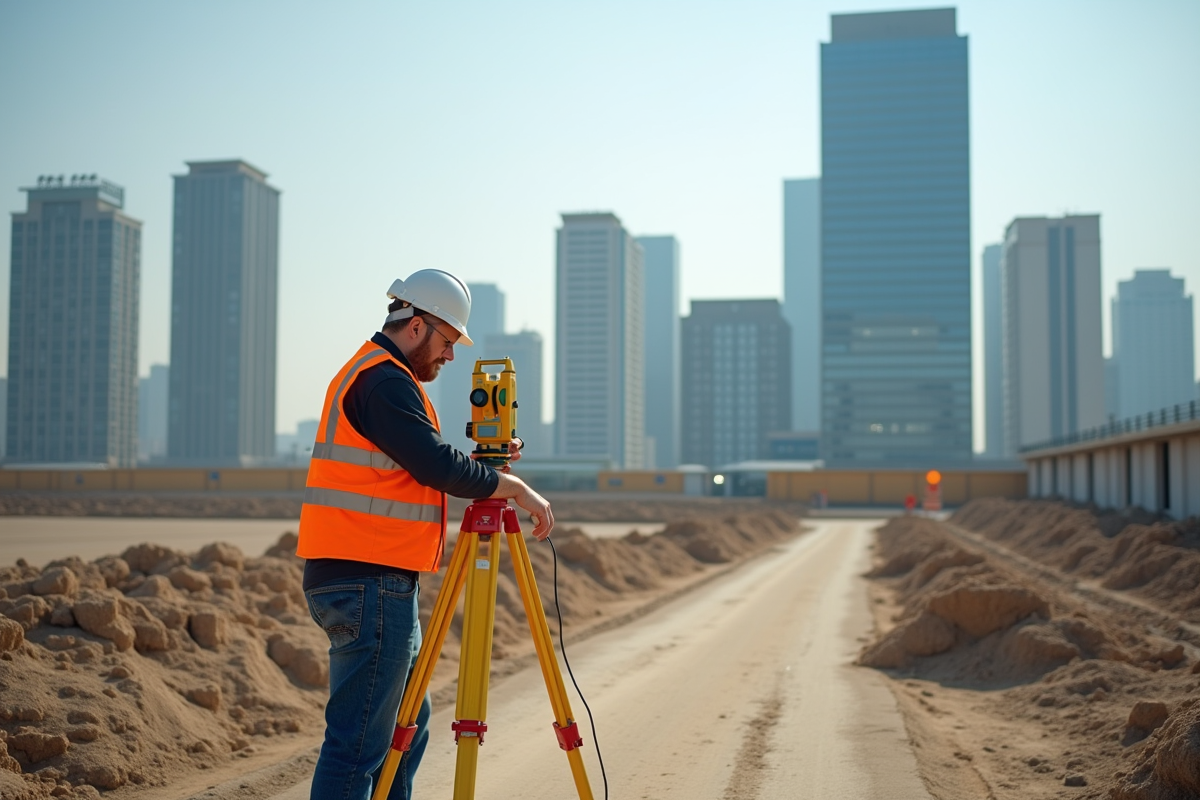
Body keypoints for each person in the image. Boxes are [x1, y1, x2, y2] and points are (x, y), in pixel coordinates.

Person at [297, 269, 554, 800]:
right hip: (367, 579)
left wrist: (488, 466)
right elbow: (435, 464)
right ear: (416, 326)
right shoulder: (385, 380)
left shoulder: (380, 376)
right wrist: (512, 487)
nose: (451, 356)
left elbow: (423, 460)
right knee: (359, 745)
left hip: (373, 579)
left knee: (405, 729)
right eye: (447, 341)